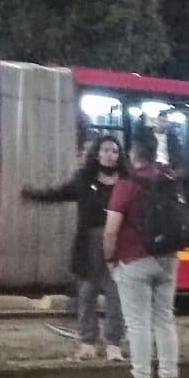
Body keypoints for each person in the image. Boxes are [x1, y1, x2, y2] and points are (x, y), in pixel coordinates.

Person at [23, 135, 127, 361]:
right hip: (88, 243)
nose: (110, 155)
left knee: (115, 294)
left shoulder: (126, 182)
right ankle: (87, 343)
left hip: (118, 243)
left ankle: (113, 344)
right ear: (97, 153)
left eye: (115, 151)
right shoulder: (84, 178)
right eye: (106, 150)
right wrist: (34, 195)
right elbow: (60, 193)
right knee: (87, 293)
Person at [104, 129, 180, 378]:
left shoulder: (127, 184)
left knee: (138, 322)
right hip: (168, 258)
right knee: (164, 319)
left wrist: (110, 259)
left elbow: (111, 229)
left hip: (135, 258)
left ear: (133, 152)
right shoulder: (167, 179)